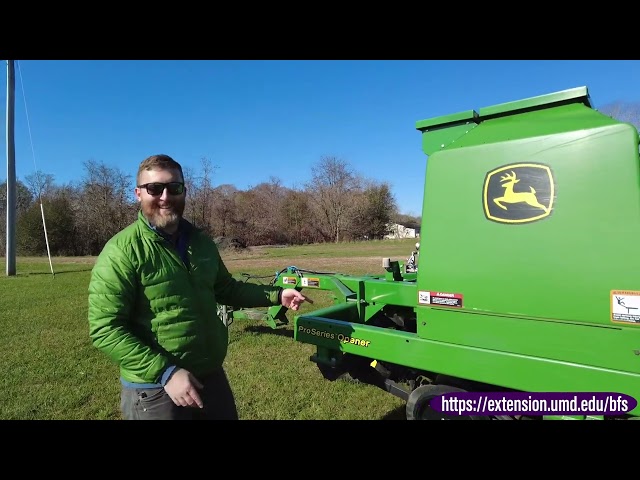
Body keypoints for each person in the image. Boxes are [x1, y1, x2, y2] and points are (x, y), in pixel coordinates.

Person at [87, 154, 311, 420]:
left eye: (174, 187)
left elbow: (226, 288)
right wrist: (165, 372)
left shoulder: (201, 242)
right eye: (154, 188)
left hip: (210, 376)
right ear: (138, 194)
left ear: (184, 190)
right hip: (156, 388)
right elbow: (105, 328)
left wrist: (277, 295)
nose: (165, 196)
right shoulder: (121, 251)